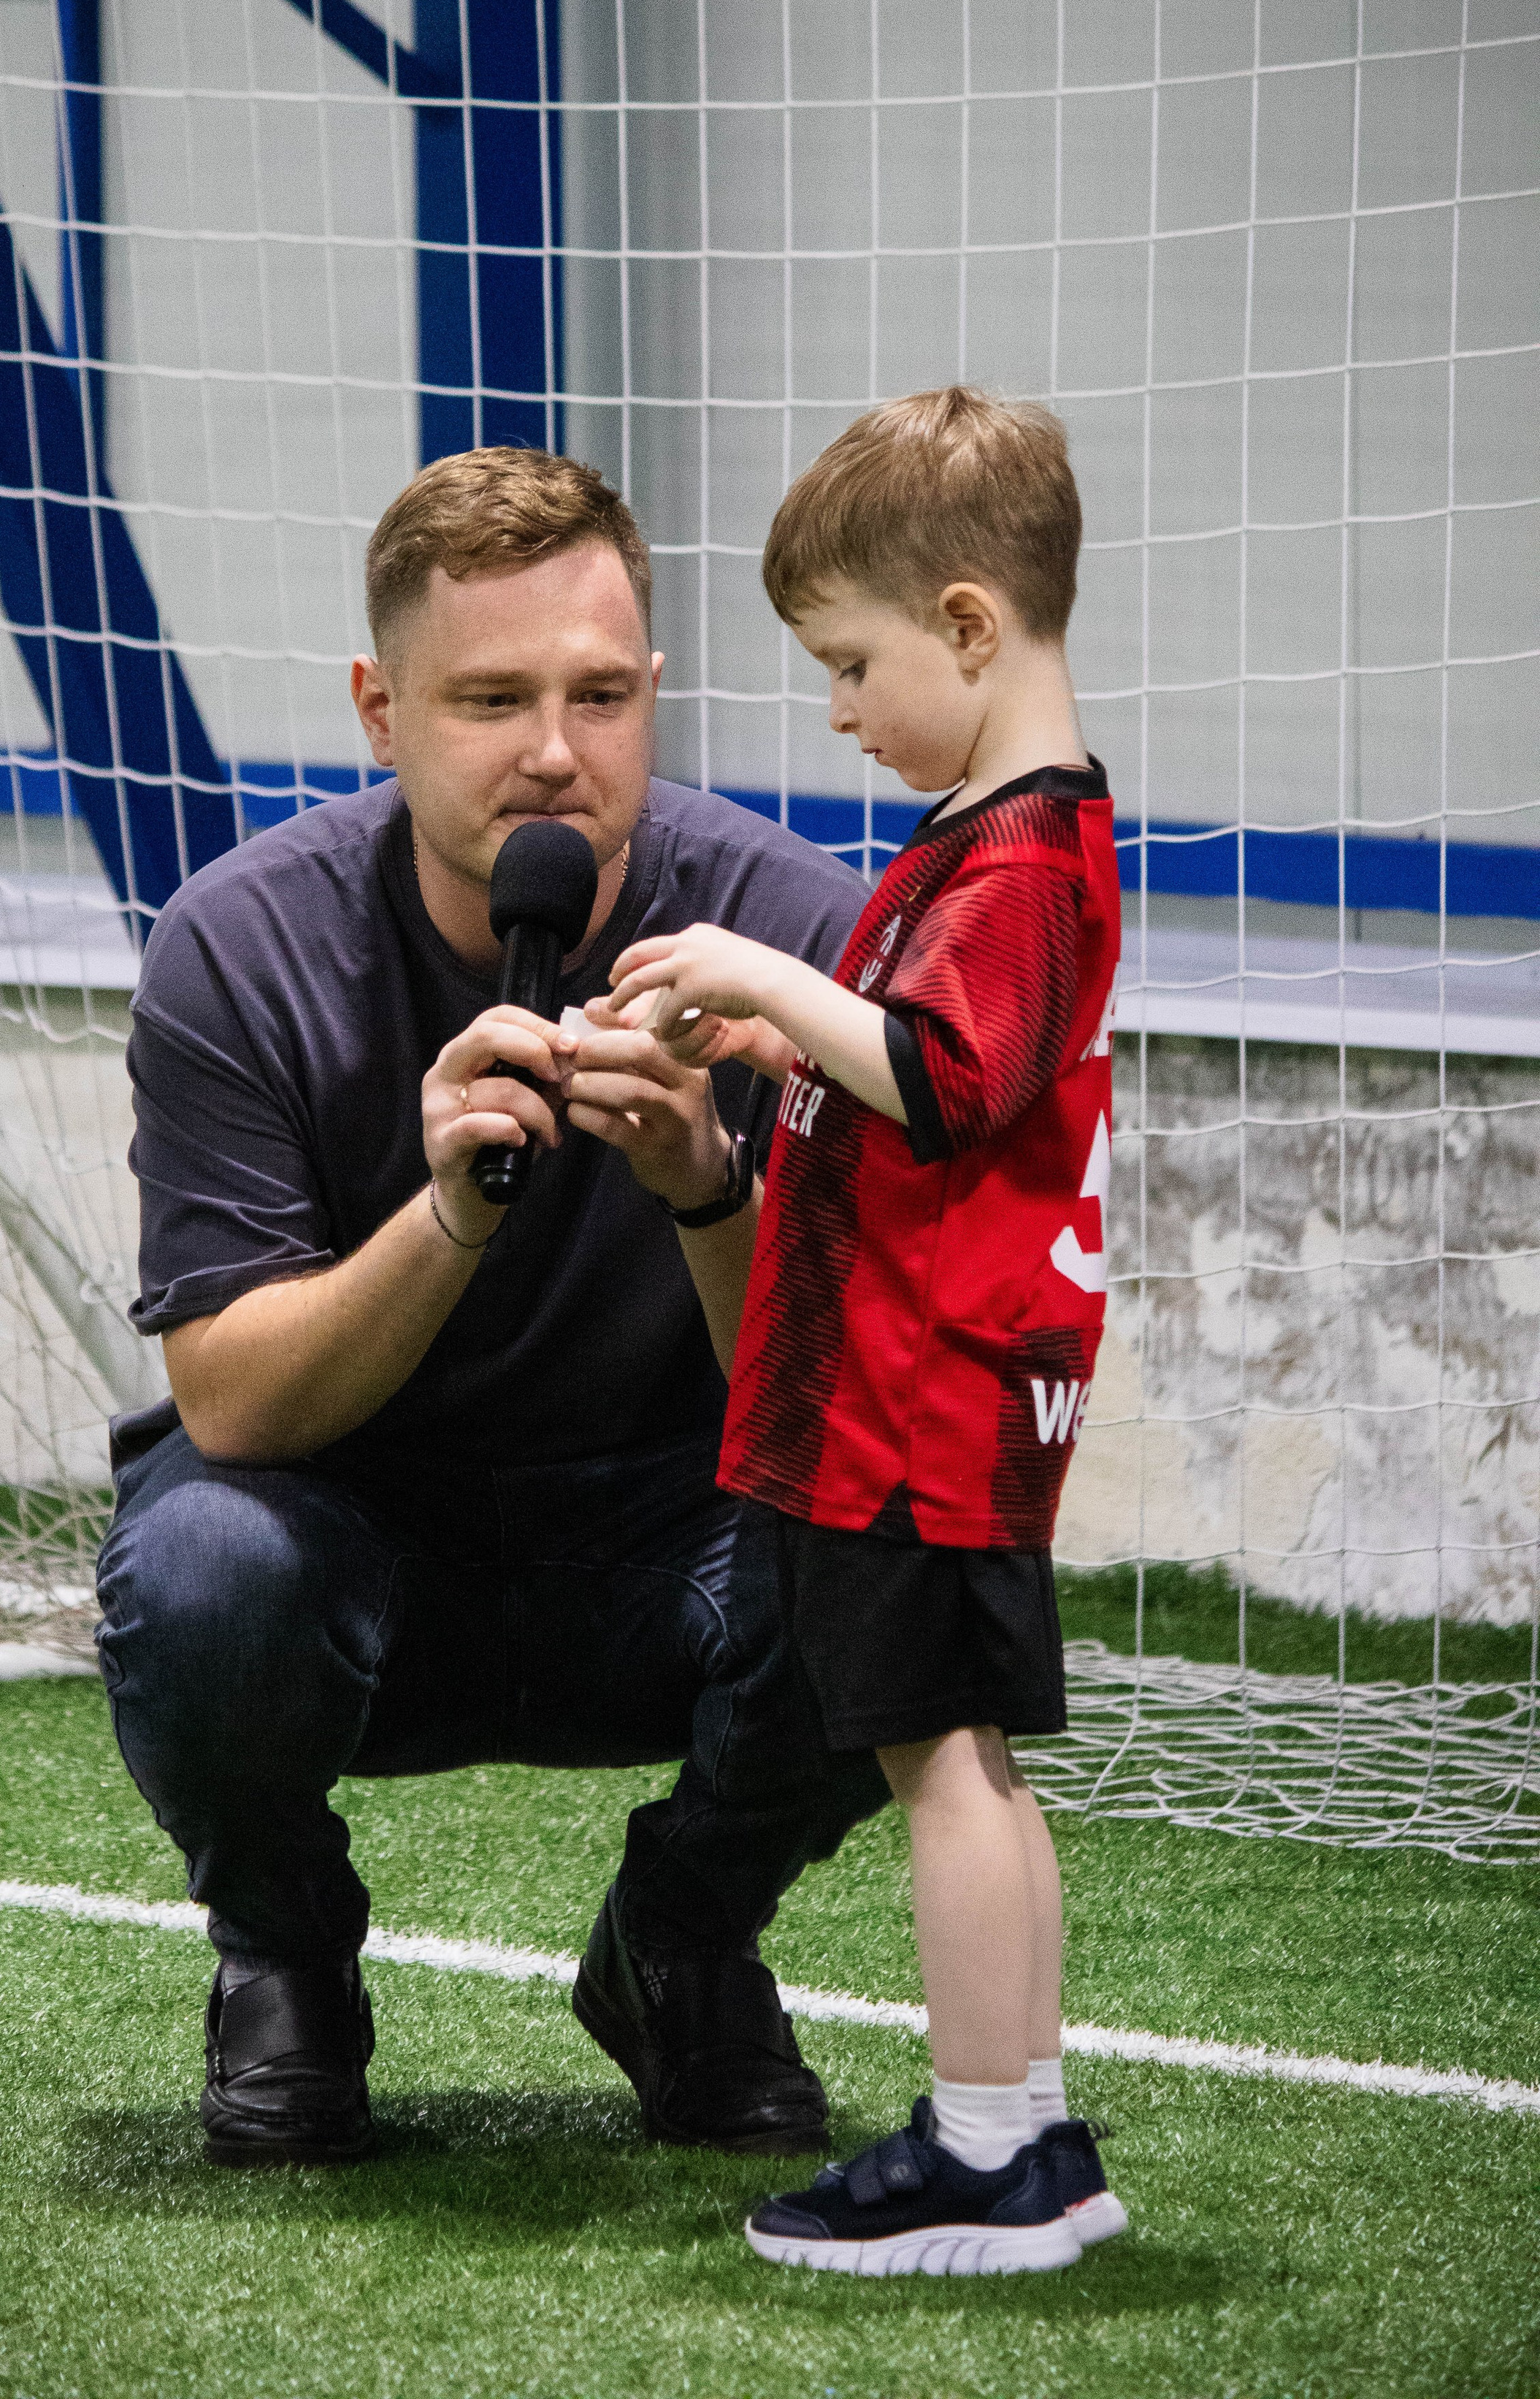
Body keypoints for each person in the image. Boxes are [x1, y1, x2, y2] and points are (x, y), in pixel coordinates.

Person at [95, 446, 889, 2168]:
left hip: (667, 1546)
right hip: (352, 1531)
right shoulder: (237, 947)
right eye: (489, 698)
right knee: (201, 1565)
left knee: (903, 1526)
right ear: (379, 710)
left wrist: (702, 1185)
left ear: (654, 693)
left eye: (599, 693)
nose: (554, 749)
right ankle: (286, 1961)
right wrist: (448, 1210)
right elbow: (229, 1405)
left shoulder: (794, 940)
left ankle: (678, 1940)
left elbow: (847, 1409)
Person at [602, 387, 1127, 2275]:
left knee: (947, 1764)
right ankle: (1026, 2138)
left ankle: (997, 2152)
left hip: (932, 1406)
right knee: (954, 1758)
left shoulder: (1025, 860)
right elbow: (898, 1085)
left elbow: (948, 1075)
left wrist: (760, 973)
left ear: (973, 629)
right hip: (898, 1401)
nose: (838, 709)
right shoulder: (985, 847)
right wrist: (773, 1042)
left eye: (851, 665)